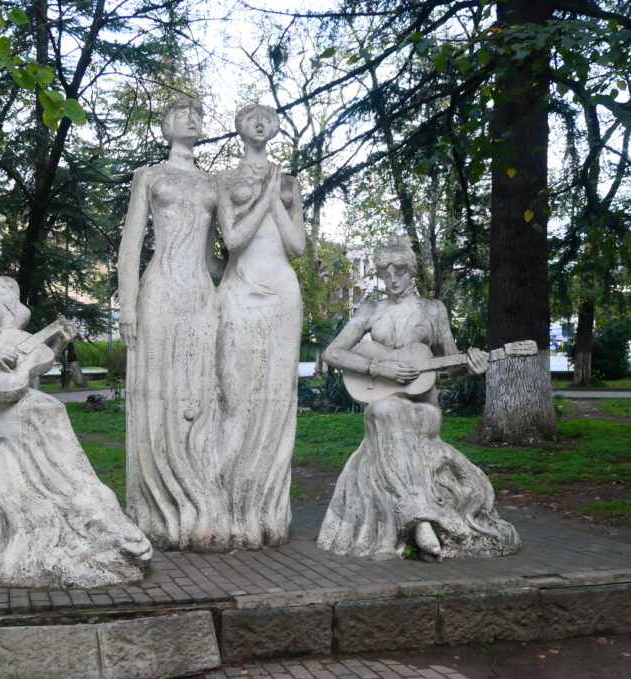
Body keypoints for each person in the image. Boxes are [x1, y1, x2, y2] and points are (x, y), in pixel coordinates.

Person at [0, 207, 151, 588]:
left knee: (46, 409)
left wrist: (55, 341)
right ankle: (65, 516)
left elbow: (17, 348)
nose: (0, 235)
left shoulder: (9, 285)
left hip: (7, 387)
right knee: (46, 410)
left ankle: (82, 514)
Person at [318, 237, 520, 561]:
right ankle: (421, 517)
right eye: (386, 272)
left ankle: (419, 516)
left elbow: (453, 367)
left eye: (400, 271)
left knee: (389, 411)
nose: (394, 279)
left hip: (424, 406)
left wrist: (472, 367)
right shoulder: (370, 310)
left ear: (412, 272)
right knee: (385, 408)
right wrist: (376, 365)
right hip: (385, 402)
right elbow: (333, 352)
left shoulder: (432, 310)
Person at [117, 97, 228, 551]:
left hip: (200, 292)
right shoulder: (150, 176)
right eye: (182, 114)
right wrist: (127, 307)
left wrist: (257, 277)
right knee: (157, 388)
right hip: (159, 289)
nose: (192, 119)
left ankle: (197, 494)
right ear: (165, 126)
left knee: (198, 390)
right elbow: (129, 247)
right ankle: (153, 506)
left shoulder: (214, 183)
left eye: (198, 115)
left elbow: (214, 259)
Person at [214, 103, 306, 548]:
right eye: (250, 117)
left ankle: (269, 508)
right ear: (238, 128)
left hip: (282, 293)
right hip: (240, 290)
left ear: (274, 129)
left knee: (276, 395)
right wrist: (266, 198)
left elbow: (298, 245)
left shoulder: (289, 183)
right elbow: (232, 241)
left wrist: (277, 196)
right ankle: (230, 503)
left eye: (266, 118)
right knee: (236, 395)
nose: (258, 123)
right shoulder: (226, 180)